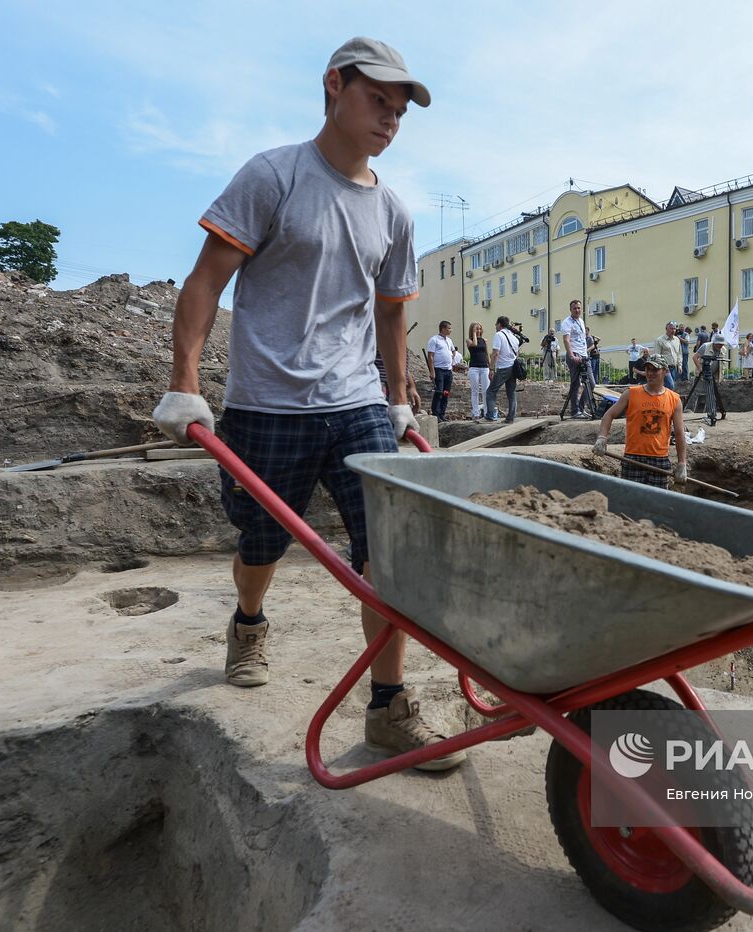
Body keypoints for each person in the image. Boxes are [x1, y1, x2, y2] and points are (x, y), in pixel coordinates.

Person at [150, 36, 463, 770]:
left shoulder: (394, 212)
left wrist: (398, 399)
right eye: (376, 100)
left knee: (387, 553)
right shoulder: (274, 177)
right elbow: (205, 282)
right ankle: (249, 621)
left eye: (399, 110)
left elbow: (391, 314)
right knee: (261, 543)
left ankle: (388, 708)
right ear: (334, 87)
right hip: (267, 403)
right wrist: (185, 381)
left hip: (355, 403)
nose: (389, 119)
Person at [593, 354, 687, 489]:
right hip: (633, 458)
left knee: (656, 504)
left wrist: (682, 463)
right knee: (630, 502)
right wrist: (602, 437)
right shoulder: (631, 394)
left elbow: (679, 433)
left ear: (665, 371)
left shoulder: (674, 400)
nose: (650, 373)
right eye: (648, 369)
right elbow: (608, 415)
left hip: (659, 459)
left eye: (655, 370)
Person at [560, 298, 593, 418]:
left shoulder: (581, 321)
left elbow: (582, 339)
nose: (577, 310)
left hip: (584, 355)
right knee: (575, 384)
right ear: (571, 309)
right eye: (575, 308)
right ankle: (574, 411)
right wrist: (571, 355)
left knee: (591, 383)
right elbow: (566, 340)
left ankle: (580, 407)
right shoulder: (566, 322)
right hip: (574, 355)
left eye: (579, 308)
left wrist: (585, 353)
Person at [486, 315, 520, 424]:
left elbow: (496, 352)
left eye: (496, 324)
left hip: (503, 367)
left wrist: (491, 368)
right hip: (513, 367)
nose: (495, 327)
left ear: (499, 324)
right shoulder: (514, 337)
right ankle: (510, 417)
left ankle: (491, 415)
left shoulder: (499, 335)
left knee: (491, 391)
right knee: (511, 393)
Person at [425, 320, 459, 420]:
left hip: (448, 370)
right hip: (439, 370)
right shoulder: (434, 340)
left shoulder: (449, 340)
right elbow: (430, 356)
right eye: (449, 328)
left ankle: (442, 414)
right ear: (443, 328)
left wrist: (451, 356)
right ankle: (436, 414)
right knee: (439, 392)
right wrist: (432, 371)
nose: (450, 330)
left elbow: (453, 350)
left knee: (446, 393)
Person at [466, 322, 489, 419]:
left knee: (486, 390)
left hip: (484, 367)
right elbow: (474, 344)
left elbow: (487, 353)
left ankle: (487, 412)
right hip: (474, 368)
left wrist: (491, 367)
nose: (479, 331)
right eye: (476, 329)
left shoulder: (484, 340)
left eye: (480, 329)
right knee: (475, 391)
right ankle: (476, 413)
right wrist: (474, 334)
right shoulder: (469, 340)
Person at [654, 322, 680, 389]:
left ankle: (668, 399)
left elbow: (679, 353)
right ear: (666, 329)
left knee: (670, 387)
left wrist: (680, 365)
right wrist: (663, 368)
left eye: (674, 329)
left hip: (674, 367)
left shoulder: (677, 340)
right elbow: (657, 356)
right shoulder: (660, 340)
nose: (673, 330)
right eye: (671, 328)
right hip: (665, 368)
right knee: (671, 386)